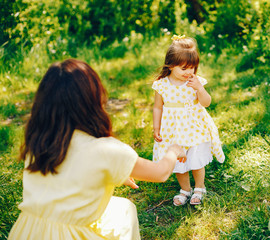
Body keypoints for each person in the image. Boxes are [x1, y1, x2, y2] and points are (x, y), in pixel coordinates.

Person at [8, 59, 186, 240]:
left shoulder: (39, 139)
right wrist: (172, 151)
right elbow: (160, 173)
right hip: (69, 236)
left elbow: (65, 176)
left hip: (26, 232)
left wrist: (114, 173)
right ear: (92, 98)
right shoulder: (106, 150)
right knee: (124, 210)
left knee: (121, 208)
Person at [152, 35, 225, 206]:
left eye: (193, 68)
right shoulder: (161, 84)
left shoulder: (195, 82)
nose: (189, 72)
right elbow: (158, 107)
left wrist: (199, 88)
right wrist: (156, 127)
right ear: (170, 65)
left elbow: (206, 103)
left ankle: (199, 187)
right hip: (171, 130)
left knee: (196, 157)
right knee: (178, 161)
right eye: (184, 68)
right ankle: (185, 189)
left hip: (194, 127)